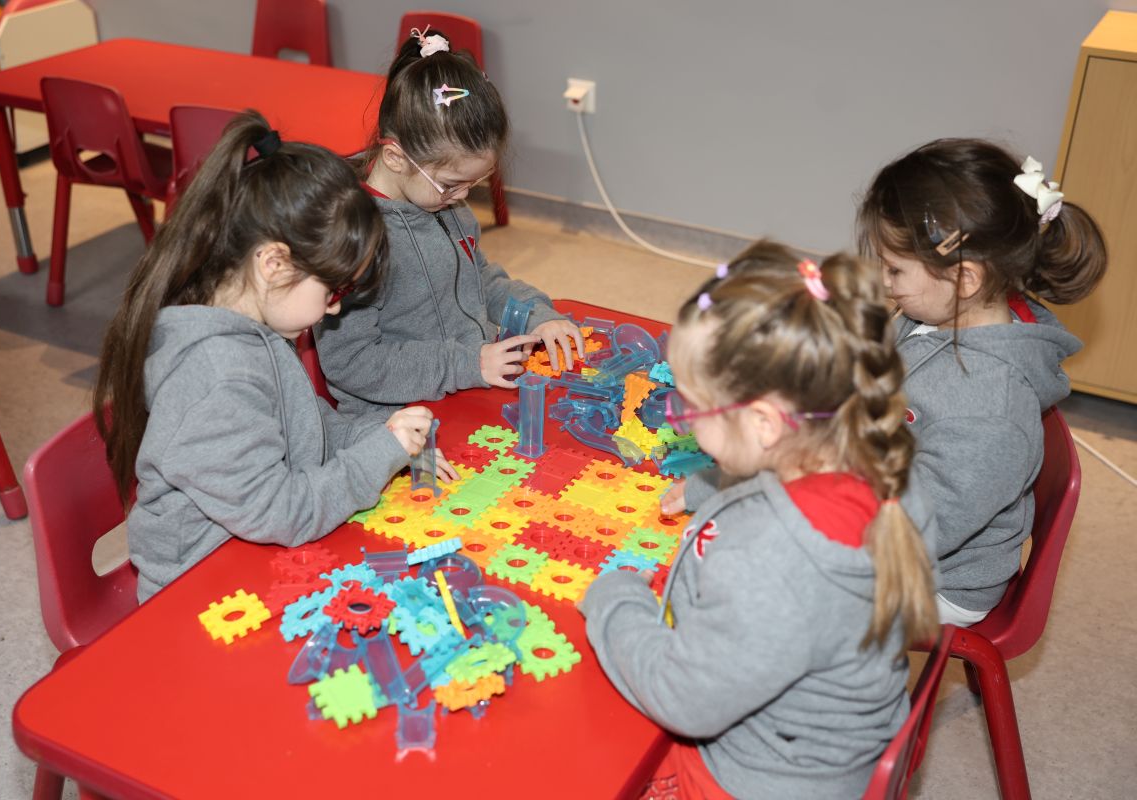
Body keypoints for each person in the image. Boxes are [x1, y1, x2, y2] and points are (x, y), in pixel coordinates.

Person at [581, 241, 939, 799]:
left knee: (588, 752)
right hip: (832, 752)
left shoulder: (766, 563)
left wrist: (614, 601)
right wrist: (710, 484)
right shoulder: (888, 470)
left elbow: (683, 697)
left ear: (766, 424)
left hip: (752, 780)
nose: (683, 422)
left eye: (692, 408)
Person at [94, 110, 453, 603]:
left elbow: (308, 425)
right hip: (201, 591)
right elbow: (284, 513)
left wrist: (381, 438)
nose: (336, 308)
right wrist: (380, 454)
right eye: (334, 290)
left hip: (253, 554)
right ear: (274, 264)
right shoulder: (219, 376)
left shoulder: (260, 328)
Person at [857, 137, 1106, 625]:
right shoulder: (934, 314)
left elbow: (920, 528)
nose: (883, 281)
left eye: (895, 270)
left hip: (934, 575)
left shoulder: (991, 410)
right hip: (882, 490)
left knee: (762, 572)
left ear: (965, 279)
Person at [315, 26, 583, 418]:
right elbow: (352, 363)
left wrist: (535, 315)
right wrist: (468, 364)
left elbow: (480, 280)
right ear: (396, 158)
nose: (463, 197)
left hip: (466, 387)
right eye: (452, 184)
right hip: (399, 419)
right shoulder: (354, 242)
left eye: (475, 183)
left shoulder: (446, 206)